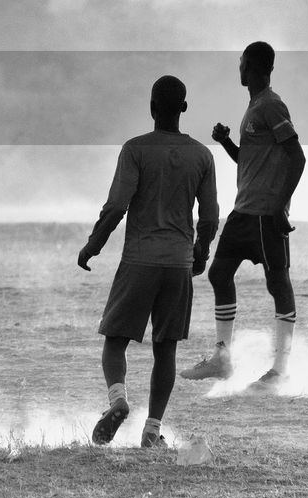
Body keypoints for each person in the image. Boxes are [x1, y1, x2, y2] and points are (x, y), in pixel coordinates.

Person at [78, 76, 219, 448]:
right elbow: (209, 217)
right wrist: (200, 253)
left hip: (139, 260)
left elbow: (116, 207)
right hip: (178, 264)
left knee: (114, 341)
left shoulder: (135, 150)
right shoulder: (202, 156)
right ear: (183, 109)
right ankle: (152, 431)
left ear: (152, 108)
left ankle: (119, 401)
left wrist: (93, 245)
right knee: (166, 350)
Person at [181, 41, 307, 393]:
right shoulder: (253, 106)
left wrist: (281, 206)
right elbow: (253, 161)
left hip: (267, 213)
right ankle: (222, 358)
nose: (239, 68)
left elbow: (297, 158)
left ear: (254, 68)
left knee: (277, 283)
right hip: (243, 210)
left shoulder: (271, 104)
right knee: (219, 273)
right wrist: (225, 143)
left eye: (242, 63)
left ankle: (280, 371)